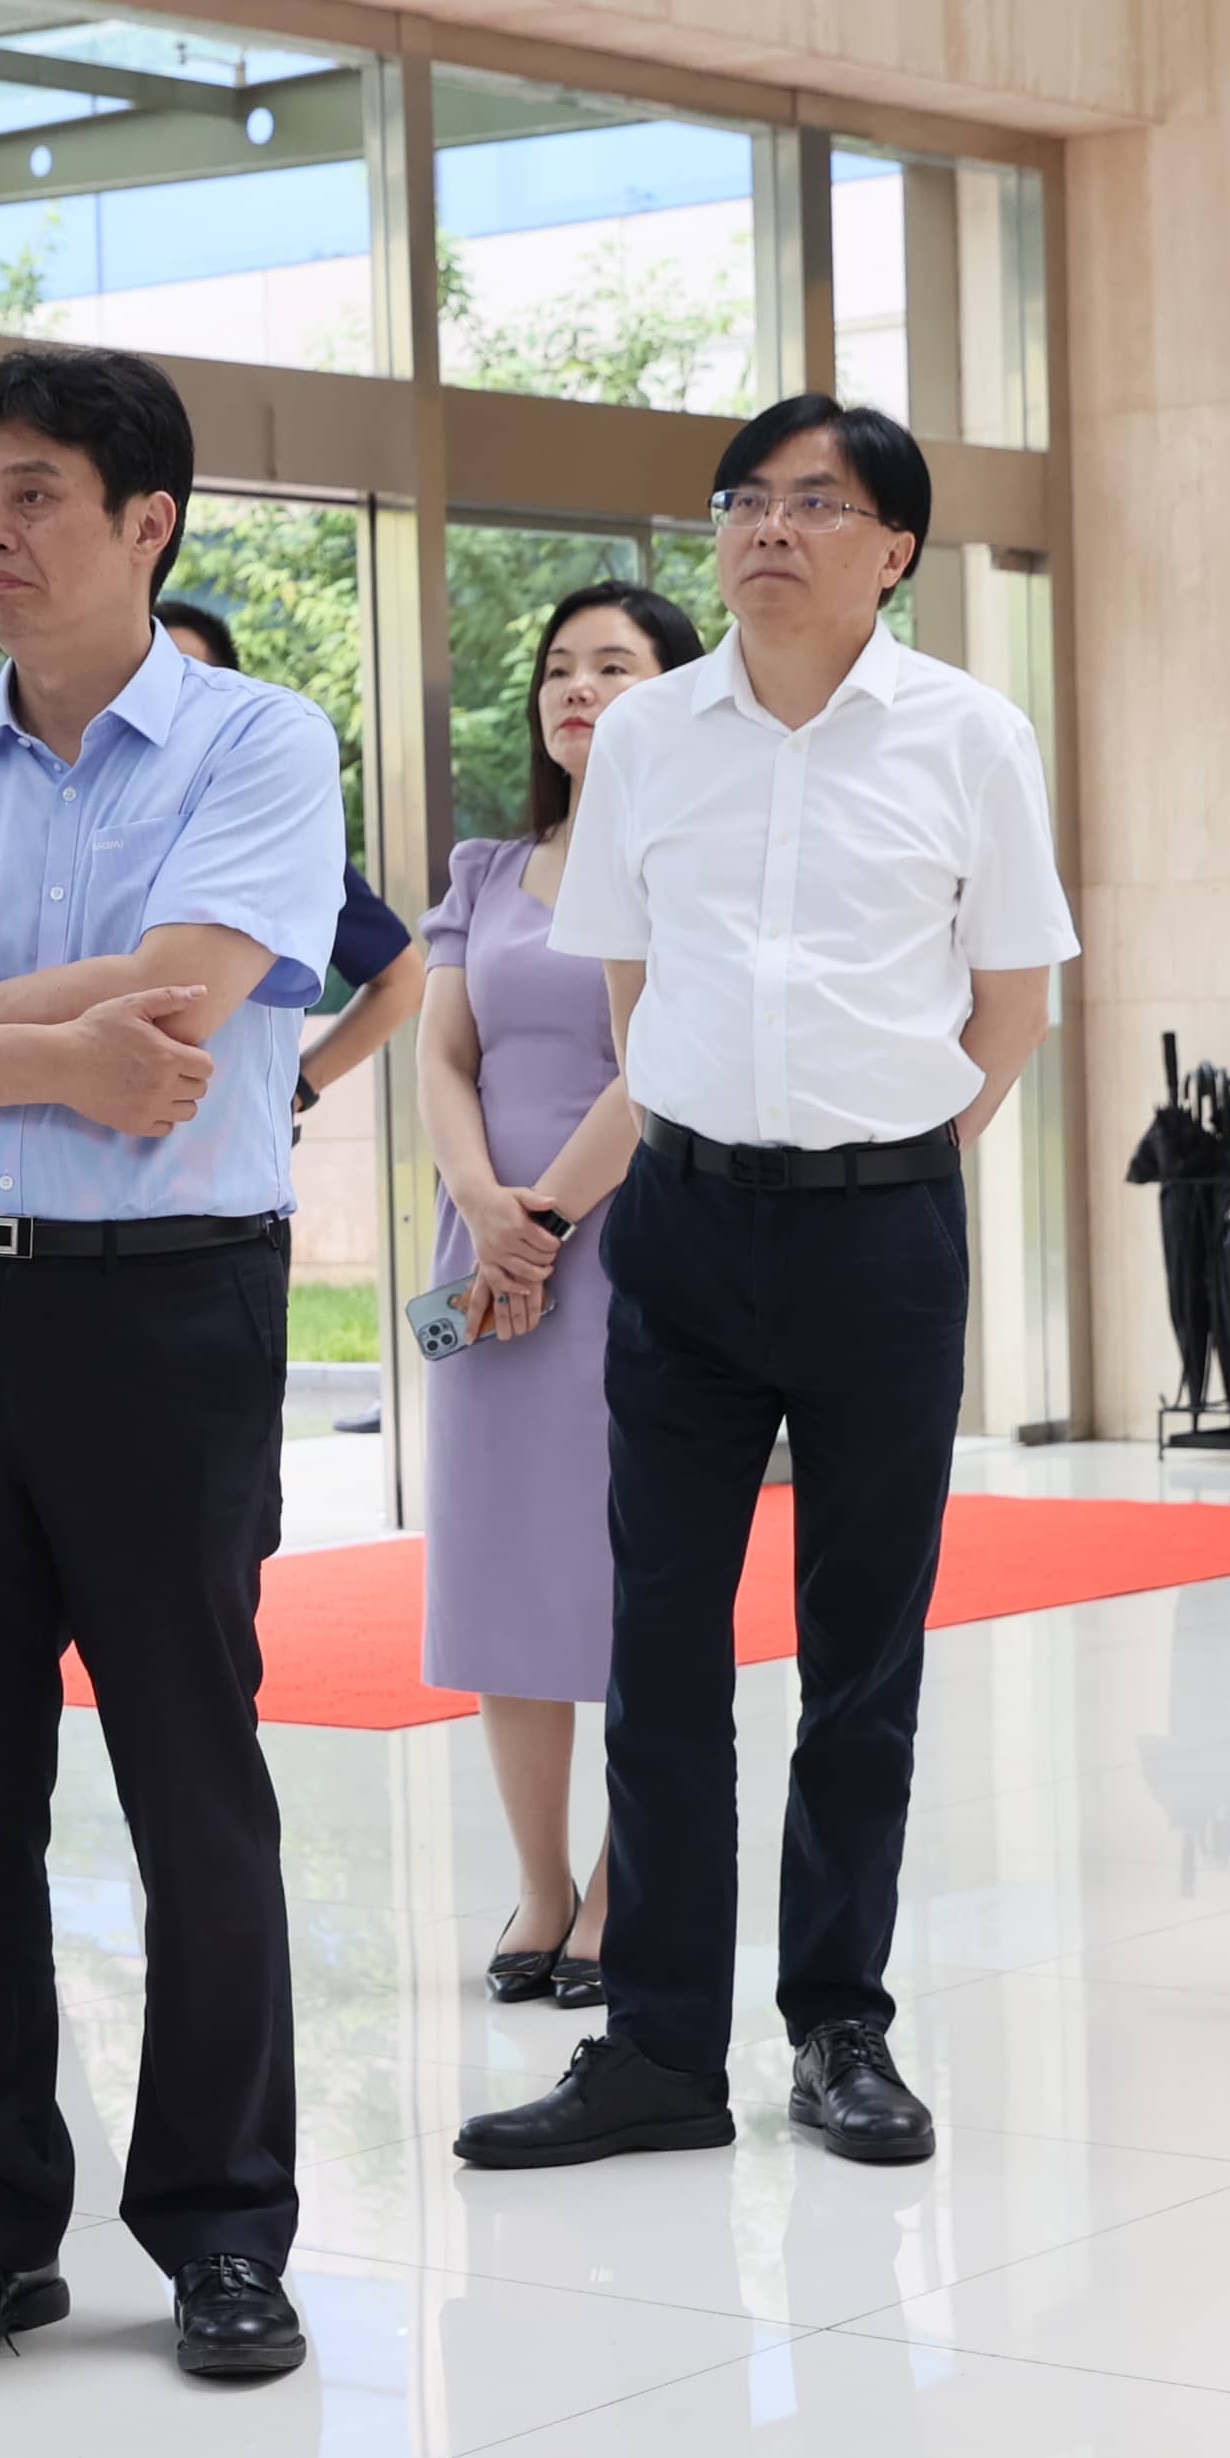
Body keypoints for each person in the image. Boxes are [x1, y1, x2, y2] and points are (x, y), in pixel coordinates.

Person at [0, 343, 340, 2384]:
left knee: (192, 1776)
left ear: (145, 520)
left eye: (32, 493)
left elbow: (188, 997)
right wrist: (47, 1051)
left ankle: (221, 2225)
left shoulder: (261, 740)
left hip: (165, 1311)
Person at [451, 397, 1074, 2177]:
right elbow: (630, 993)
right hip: (686, 1228)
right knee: (658, 1647)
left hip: (885, 1235)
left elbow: (1012, 1002)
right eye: (744, 500)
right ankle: (657, 2045)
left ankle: (838, 2025)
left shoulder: (971, 733)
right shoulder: (649, 735)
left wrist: (894, 1159)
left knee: (861, 1653)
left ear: (895, 549)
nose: (769, 529)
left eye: (816, 502)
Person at [419, 579, 699, 2005]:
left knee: (624, 1576)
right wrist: (483, 1207)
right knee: (500, 1573)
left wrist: (541, 1220)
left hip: (623, 1246)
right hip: (484, 1259)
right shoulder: (485, 869)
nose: (576, 687)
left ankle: (618, 1882)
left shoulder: (688, 866)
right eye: (559, 667)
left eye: (614, 665)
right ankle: (541, 1883)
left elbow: (658, 1068)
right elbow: (440, 1054)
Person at [155, 598, 427, 1123]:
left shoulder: (273, 838)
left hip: (229, 1152)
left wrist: (298, 1087)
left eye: (187, 684)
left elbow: (402, 980)